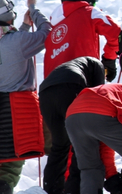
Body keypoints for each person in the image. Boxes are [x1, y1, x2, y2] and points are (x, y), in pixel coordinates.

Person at [0, 0, 51, 194]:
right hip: (20, 106)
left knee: (10, 163)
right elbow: (48, 33)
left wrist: (25, 27)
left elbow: (12, 47)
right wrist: (34, 10)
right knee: (58, 145)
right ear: (9, 16)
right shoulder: (17, 41)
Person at [66, 83, 122, 194]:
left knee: (90, 167)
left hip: (73, 115)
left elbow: (106, 144)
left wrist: (112, 176)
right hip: (102, 108)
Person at [39, 56, 106, 194]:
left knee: (59, 146)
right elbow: (98, 94)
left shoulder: (76, 63)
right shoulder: (97, 64)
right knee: (80, 144)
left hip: (45, 92)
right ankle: (74, 189)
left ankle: (51, 189)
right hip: (71, 85)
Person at [44, 0, 121, 81]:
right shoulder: (89, 12)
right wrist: (109, 60)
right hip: (81, 80)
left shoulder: (51, 33)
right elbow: (117, 34)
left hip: (49, 90)